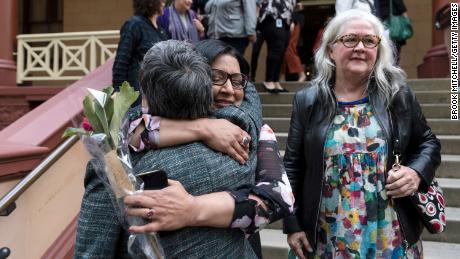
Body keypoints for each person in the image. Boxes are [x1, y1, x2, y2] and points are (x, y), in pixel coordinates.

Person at [75, 39, 293, 258]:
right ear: (198, 79)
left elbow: (279, 195)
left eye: (238, 81)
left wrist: (193, 209)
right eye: (216, 77)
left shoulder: (243, 131)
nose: (228, 89)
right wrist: (202, 128)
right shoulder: (239, 130)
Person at [283, 9, 441, 259]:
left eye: (369, 41)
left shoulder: (397, 95)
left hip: (390, 233)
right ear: (331, 49)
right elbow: (292, 167)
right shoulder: (307, 101)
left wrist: (416, 172)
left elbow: (428, 143)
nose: (360, 47)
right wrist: (291, 225)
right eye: (349, 39)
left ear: (378, 50)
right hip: (328, 234)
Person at [112, 0, 168, 106]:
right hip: (137, 94)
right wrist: (118, 90)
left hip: (157, 94)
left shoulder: (161, 30)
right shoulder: (134, 24)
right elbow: (121, 61)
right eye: (161, 0)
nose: (164, 3)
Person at [257, 0, 296, 93]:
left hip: (286, 19)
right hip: (271, 16)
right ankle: (269, 80)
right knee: (276, 48)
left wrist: (291, 19)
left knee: (282, 51)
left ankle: (275, 80)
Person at [378, 0, 409, 64]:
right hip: (394, 24)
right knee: (395, 53)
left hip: (380, 22)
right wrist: (406, 19)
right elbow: (399, 4)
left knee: (383, 51)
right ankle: (393, 70)